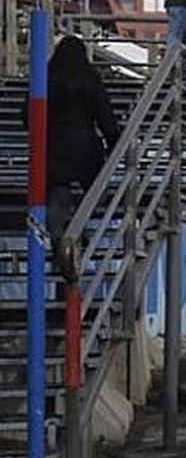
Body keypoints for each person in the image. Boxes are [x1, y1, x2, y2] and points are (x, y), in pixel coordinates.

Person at [46, 36, 123, 282]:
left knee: (57, 195)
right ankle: (78, 232)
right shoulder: (91, 79)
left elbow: (28, 115)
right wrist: (116, 145)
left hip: (53, 148)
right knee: (95, 195)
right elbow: (106, 118)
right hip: (86, 149)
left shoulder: (47, 78)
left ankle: (59, 240)